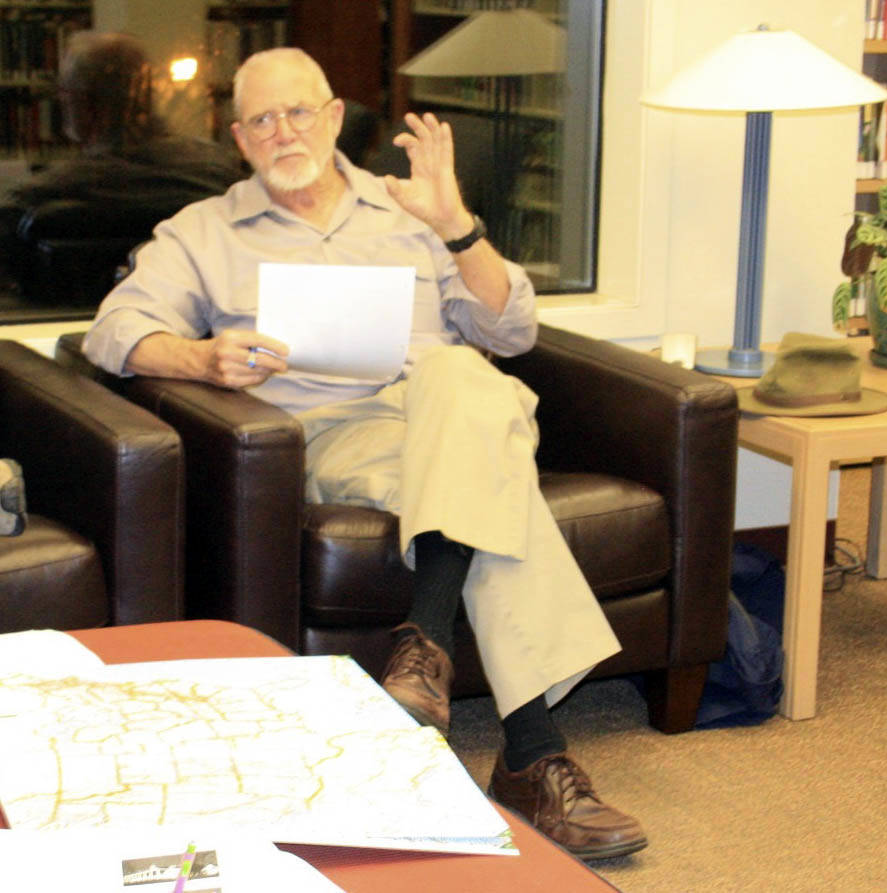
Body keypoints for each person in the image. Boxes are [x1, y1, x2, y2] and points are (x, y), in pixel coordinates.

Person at [83, 47, 647, 861]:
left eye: (300, 112)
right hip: (341, 437)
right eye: (263, 120)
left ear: (336, 116)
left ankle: (428, 650)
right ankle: (530, 753)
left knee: (463, 374)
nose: (284, 132)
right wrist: (204, 357)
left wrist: (457, 225)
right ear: (239, 137)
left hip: (451, 414)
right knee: (492, 471)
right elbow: (114, 331)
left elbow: (511, 329)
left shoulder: (410, 208)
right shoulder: (202, 232)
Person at [0, 31, 244, 308]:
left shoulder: (44, 195)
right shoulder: (218, 172)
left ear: (85, 104)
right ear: (148, 92)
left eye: (64, 91)